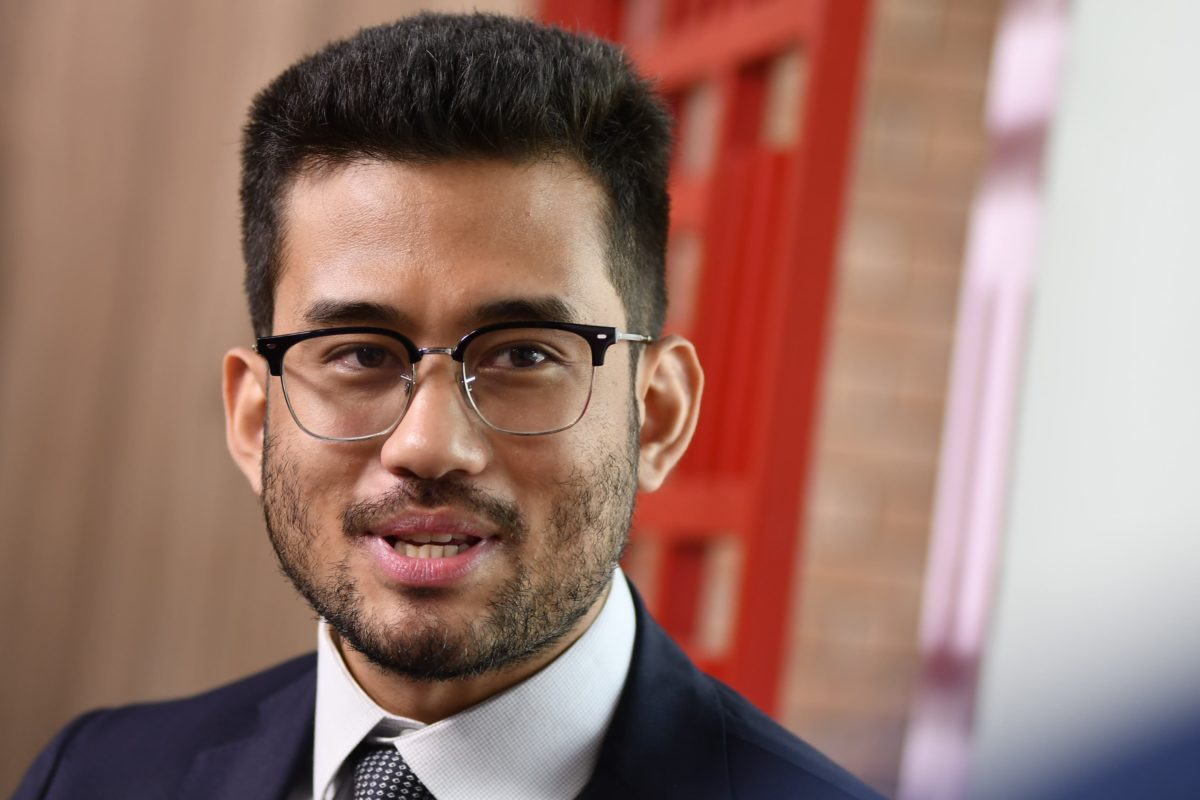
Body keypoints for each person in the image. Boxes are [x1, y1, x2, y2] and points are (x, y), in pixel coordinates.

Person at [16, 13, 880, 800]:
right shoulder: (91, 778)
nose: (428, 445)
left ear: (655, 415)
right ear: (253, 418)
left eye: (523, 355)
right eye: (360, 354)